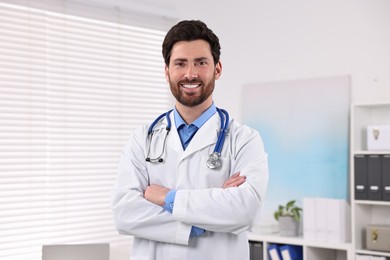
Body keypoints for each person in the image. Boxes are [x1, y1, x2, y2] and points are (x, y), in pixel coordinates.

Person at [111, 20, 269, 260]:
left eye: (201, 62)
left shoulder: (244, 140)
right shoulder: (141, 139)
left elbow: (245, 210)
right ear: (167, 72)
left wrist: (166, 197)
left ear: (217, 69)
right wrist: (200, 222)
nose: (190, 74)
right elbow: (125, 213)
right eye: (180, 63)